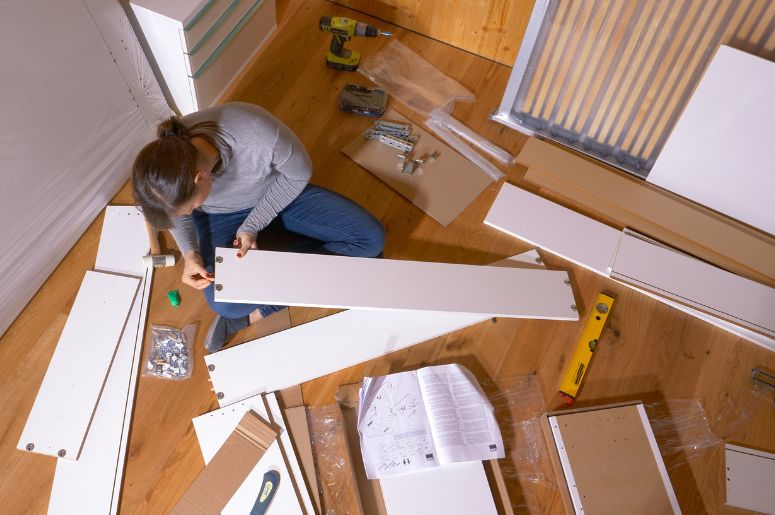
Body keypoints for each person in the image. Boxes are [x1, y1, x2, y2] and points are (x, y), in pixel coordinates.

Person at [132, 102, 385, 352]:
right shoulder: (163, 165)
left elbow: (298, 174)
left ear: (201, 178)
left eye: (189, 209)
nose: (188, 215)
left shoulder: (257, 135)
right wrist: (189, 252)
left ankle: (264, 304)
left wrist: (253, 224)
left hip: (277, 195)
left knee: (371, 239)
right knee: (225, 302)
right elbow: (176, 212)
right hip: (221, 216)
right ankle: (329, 264)